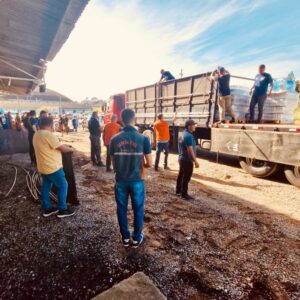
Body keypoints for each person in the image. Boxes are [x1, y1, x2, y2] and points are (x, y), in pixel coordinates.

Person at [110, 109, 152, 248]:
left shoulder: (114, 139)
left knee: (121, 209)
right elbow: (150, 163)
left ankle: (125, 238)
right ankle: (136, 238)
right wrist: (142, 165)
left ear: (121, 119)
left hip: (121, 180)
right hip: (137, 181)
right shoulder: (143, 138)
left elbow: (113, 162)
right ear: (134, 119)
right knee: (138, 209)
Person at [33, 117, 75, 218]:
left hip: (43, 167)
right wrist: (71, 148)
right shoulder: (48, 135)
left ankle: (47, 208)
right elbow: (62, 149)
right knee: (63, 185)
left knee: (46, 187)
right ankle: (62, 209)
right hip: (53, 167)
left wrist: (62, 145)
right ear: (51, 125)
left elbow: (52, 146)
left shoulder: (36, 134)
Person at [176, 119, 199, 200]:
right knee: (186, 177)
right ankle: (184, 194)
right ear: (189, 126)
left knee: (181, 175)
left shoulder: (182, 134)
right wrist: (195, 161)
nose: (195, 126)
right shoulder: (188, 136)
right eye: (193, 125)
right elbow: (190, 150)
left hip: (181, 158)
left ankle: (178, 191)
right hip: (187, 160)